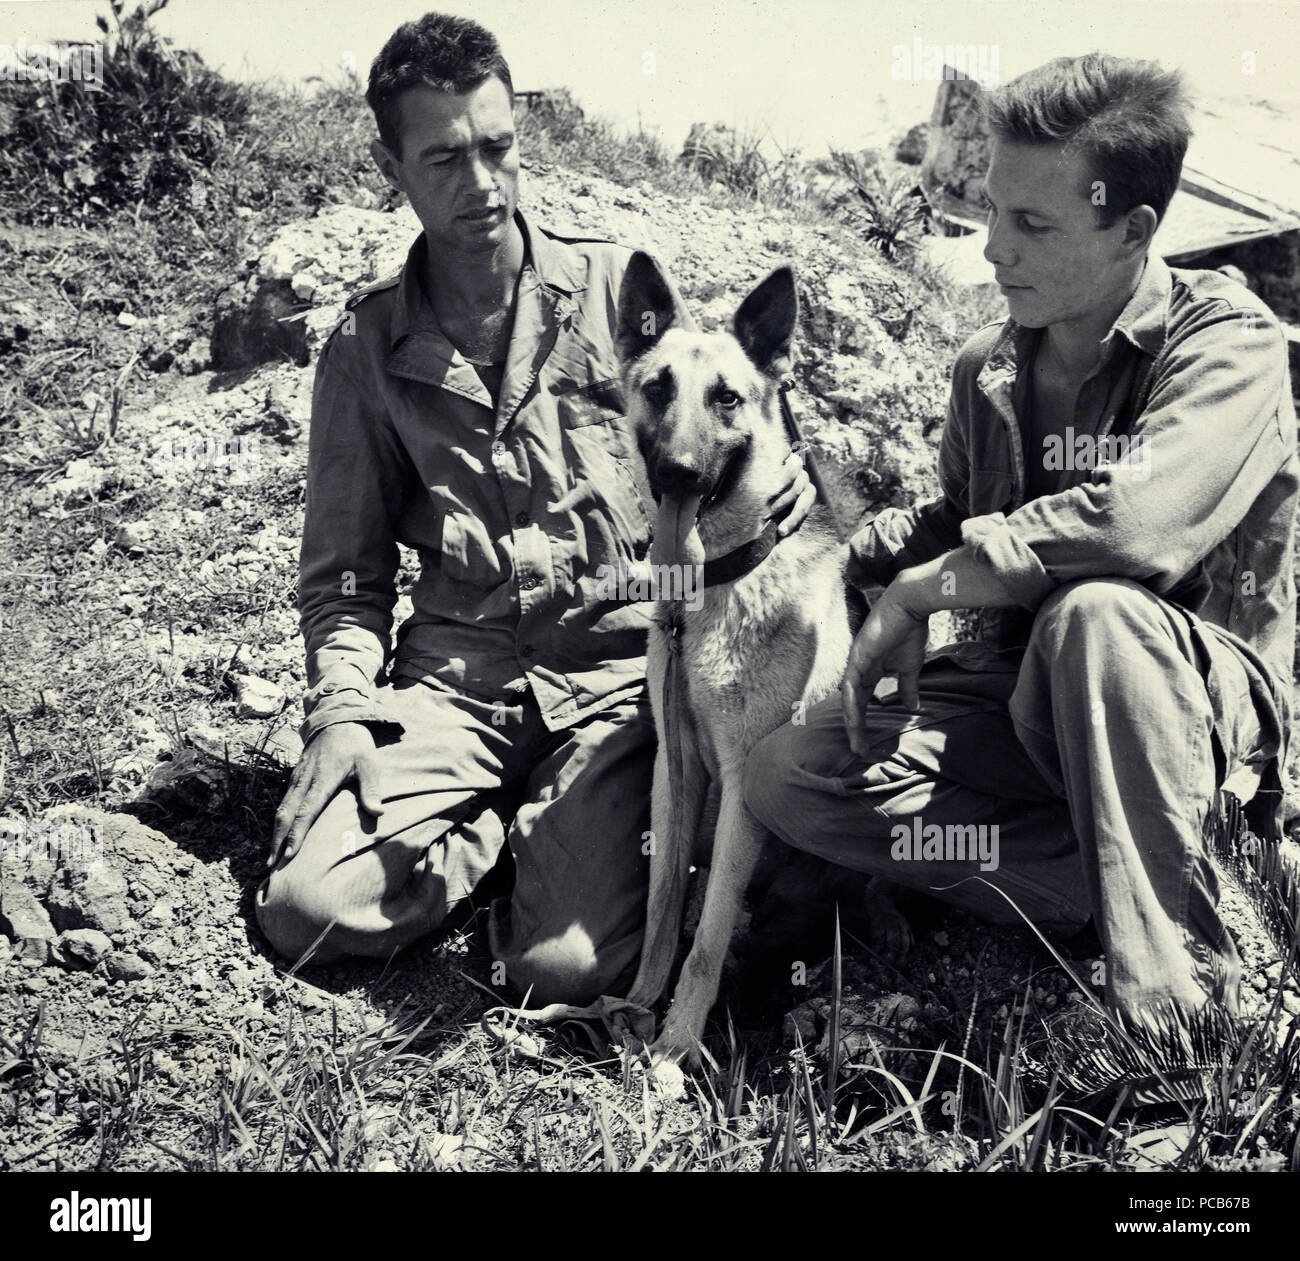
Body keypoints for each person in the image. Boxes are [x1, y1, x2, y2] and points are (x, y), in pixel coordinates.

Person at [744, 53, 1298, 1099]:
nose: (993, 248)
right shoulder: (988, 367)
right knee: (791, 775)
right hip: (1019, 714)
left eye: (1032, 226)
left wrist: (921, 595)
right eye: (992, 212)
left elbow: (1136, 526)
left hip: (1188, 705)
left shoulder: (1229, 338)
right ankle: (1116, 881)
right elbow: (953, 516)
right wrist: (818, 561)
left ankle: (1178, 1039)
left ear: (1133, 229)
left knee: (1093, 617)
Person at [254, 12, 812, 1006]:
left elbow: (739, 434)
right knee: (304, 907)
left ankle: (557, 854)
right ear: (391, 167)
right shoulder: (364, 350)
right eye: (443, 159)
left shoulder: (617, 293)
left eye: (497, 147)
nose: (481, 184)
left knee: (559, 972)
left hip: (611, 681)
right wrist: (340, 710)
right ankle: (493, 833)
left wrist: (776, 505)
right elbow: (344, 574)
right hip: (453, 685)